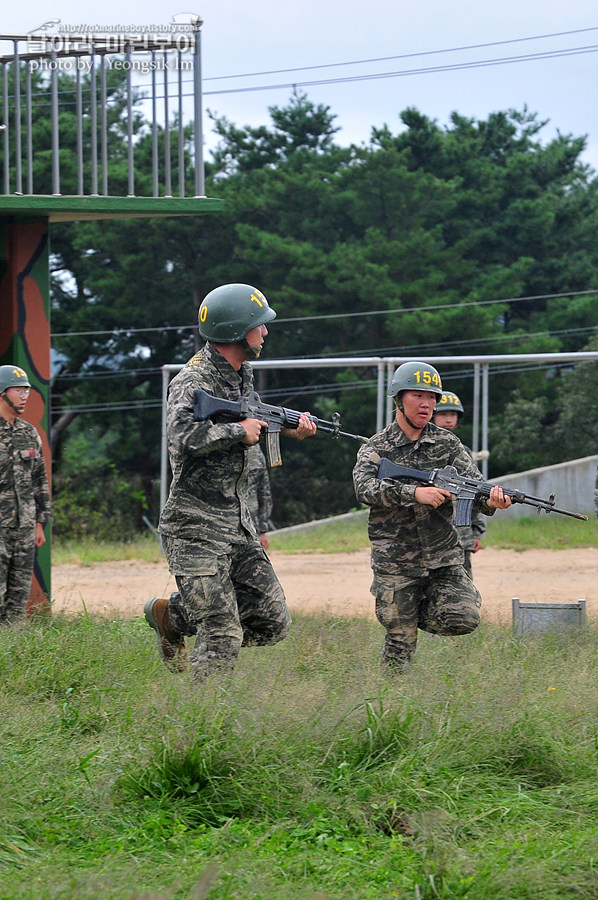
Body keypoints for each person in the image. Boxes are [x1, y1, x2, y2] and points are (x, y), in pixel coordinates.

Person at [145, 283, 316, 682]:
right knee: (222, 632)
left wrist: (287, 428)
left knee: (273, 622)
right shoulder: (192, 381)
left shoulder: (242, 376)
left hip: (237, 526)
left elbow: (249, 422)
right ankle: (201, 725)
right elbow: (182, 437)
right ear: (238, 331)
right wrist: (240, 432)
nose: (266, 332)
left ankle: (171, 617)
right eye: (260, 325)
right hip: (194, 527)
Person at [353, 361, 511, 673]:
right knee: (400, 640)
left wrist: (493, 500)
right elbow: (364, 488)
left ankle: (411, 612)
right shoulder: (377, 447)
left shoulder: (448, 444)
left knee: (464, 618)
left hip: (443, 558)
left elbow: (475, 486)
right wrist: (415, 493)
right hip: (396, 560)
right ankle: (392, 695)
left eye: (432, 398)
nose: (427, 404)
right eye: (417, 396)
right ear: (398, 398)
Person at [0, 365, 51, 624]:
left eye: (26, 390)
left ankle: (15, 653)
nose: (25, 395)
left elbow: (39, 480)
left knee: (18, 602)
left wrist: (40, 523)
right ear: (2, 392)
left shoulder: (28, 432)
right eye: (18, 390)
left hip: (24, 528)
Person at [432, 390, 486, 577]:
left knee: (463, 580)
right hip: (431, 527)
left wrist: (476, 531)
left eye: (453, 414)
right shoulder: (422, 447)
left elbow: (475, 491)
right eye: (443, 414)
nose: (448, 419)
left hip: (460, 533)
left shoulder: (463, 452)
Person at [246, 443, 273, 550]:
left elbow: (264, 491)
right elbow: (264, 492)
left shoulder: (254, 449)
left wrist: (262, 530)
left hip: (251, 528)